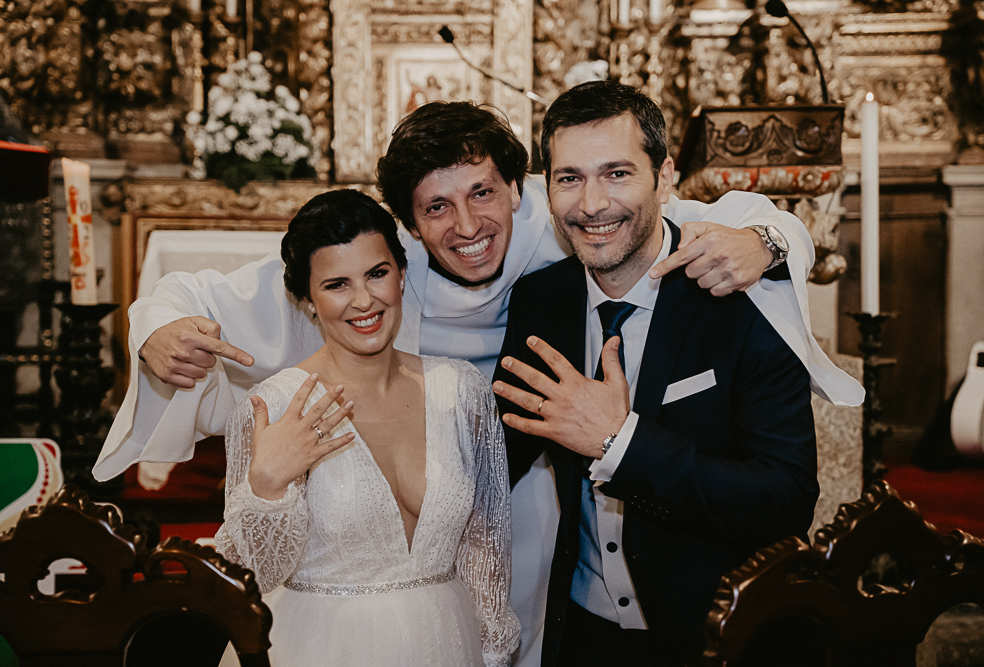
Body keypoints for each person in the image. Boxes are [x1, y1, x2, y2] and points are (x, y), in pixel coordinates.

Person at [93, 101, 861, 665]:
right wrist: (156, 327)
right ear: (407, 224)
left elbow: (705, 214)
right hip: (444, 510)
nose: (466, 226)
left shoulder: (571, 231)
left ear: (520, 189)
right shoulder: (379, 267)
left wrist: (767, 239)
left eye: (483, 194)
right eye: (436, 207)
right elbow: (209, 294)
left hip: (543, 512)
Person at [492, 81, 820, 666]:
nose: (592, 203)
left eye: (617, 173)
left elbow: (786, 501)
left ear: (664, 177)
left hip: (717, 636)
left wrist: (621, 444)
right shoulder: (541, 301)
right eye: (570, 178)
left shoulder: (743, 299)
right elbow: (501, 452)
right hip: (583, 635)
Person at [215, 189, 518, 666]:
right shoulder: (272, 407)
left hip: (447, 643)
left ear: (401, 274)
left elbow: (486, 545)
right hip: (317, 649)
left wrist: (494, 652)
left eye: (377, 274)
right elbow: (252, 576)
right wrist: (267, 487)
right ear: (306, 299)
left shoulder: (462, 390)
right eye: (337, 284)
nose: (363, 301)